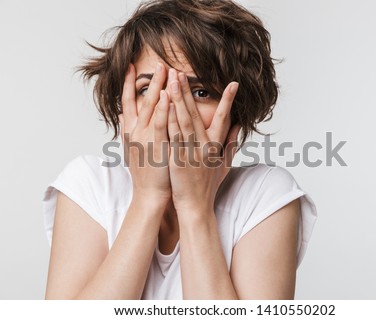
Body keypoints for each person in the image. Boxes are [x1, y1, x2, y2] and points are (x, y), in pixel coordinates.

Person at [42, 0, 317, 299]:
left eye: (200, 92)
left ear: (235, 112)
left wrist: (195, 208)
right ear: (125, 105)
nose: (170, 107)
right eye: (147, 89)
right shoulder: (89, 185)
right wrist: (148, 198)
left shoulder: (266, 195)